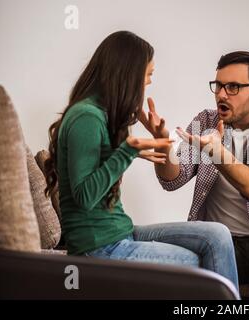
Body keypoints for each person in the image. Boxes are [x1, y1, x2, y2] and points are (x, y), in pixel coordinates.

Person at [43, 31, 238, 290]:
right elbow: (84, 196)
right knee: (197, 265)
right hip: (97, 247)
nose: (148, 83)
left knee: (217, 235)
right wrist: (126, 151)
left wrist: (156, 140)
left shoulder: (100, 114)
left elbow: (158, 177)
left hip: (120, 232)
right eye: (148, 75)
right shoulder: (86, 117)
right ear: (127, 74)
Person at [138, 51, 249, 299]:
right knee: (170, 259)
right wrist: (163, 145)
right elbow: (173, 179)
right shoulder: (206, 121)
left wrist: (217, 152)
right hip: (219, 242)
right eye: (219, 86)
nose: (222, 94)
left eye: (233, 87)